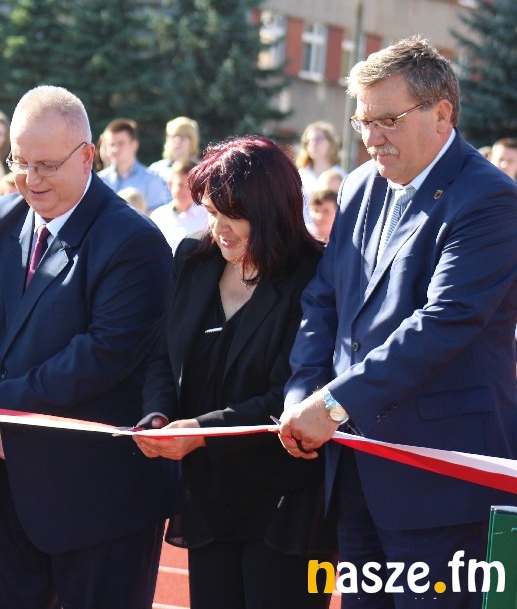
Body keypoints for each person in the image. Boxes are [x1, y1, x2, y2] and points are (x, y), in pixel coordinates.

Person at [0, 85, 178, 609]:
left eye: (47, 165)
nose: (31, 179)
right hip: (3, 483)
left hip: (98, 499)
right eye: (20, 162)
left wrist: (2, 400)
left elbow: (102, 354)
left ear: (88, 157)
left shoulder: (134, 241)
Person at [279, 36, 517, 609]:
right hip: (354, 468)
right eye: (363, 121)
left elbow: (444, 322)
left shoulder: (490, 200)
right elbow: (325, 301)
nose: (372, 137)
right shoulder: (360, 186)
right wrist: (302, 393)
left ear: (442, 115)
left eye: (388, 120)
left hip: (442, 483)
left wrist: (333, 403)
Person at [135, 136, 333, 609]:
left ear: (270, 211)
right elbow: (164, 354)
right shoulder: (193, 258)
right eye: (210, 212)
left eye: (232, 216)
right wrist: (159, 415)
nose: (218, 229)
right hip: (210, 494)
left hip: (289, 503)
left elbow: (291, 392)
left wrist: (201, 432)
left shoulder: (315, 273)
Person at [98, 118, 171, 212]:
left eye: (121, 143)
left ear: (134, 144)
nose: (115, 149)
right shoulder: (99, 181)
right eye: (111, 144)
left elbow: (156, 217)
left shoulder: (151, 180)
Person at [149, 159, 208, 251]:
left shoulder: (206, 217)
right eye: (180, 185)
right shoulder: (158, 216)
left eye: (189, 187)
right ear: (170, 184)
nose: (185, 191)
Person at [149, 116, 201, 183]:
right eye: (174, 135)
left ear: (192, 140)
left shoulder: (200, 170)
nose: (177, 140)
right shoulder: (156, 170)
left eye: (183, 136)